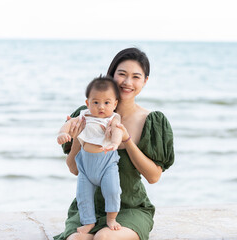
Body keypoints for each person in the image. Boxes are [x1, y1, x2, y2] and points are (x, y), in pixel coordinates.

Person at [54, 48, 175, 240]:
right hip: (88, 210)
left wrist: (127, 140)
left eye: (136, 76)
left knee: (105, 237)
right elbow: (74, 169)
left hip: (130, 209)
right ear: (111, 76)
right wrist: (78, 138)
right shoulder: (87, 115)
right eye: (122, 74)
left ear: (145, 81)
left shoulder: (151, 121)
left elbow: (153, 177)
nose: (127, 82)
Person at [57, 76, 123, 234]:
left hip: (107, 164)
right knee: (83, 195)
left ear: (115, 104)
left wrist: (115, 142)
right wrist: (62, 133)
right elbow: (69, 124)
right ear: (87, 103)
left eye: (107, 103)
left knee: (113, 190)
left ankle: (111, 218)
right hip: (85, 166)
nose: (101, 107)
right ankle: (88, 222)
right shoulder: (83, 115)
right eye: (96, 102)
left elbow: (118, 130)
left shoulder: (113, 118)